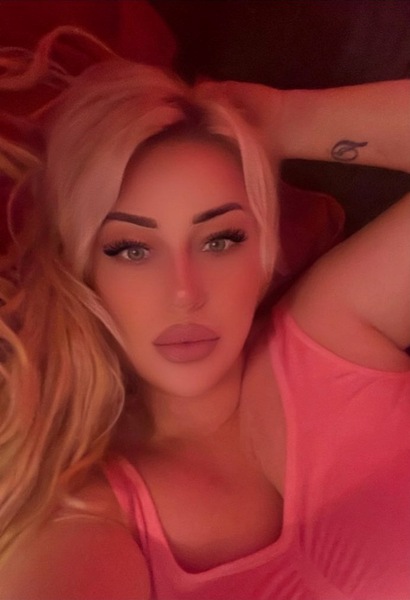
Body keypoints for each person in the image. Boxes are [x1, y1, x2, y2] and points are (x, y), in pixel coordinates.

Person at [0, 28, 409, 600]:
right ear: (82, 271)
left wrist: (286, 120)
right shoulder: (87, 519)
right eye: (132, 250)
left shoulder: (332, 330)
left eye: (220, 240)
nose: (184, 293)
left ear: (265, 251)